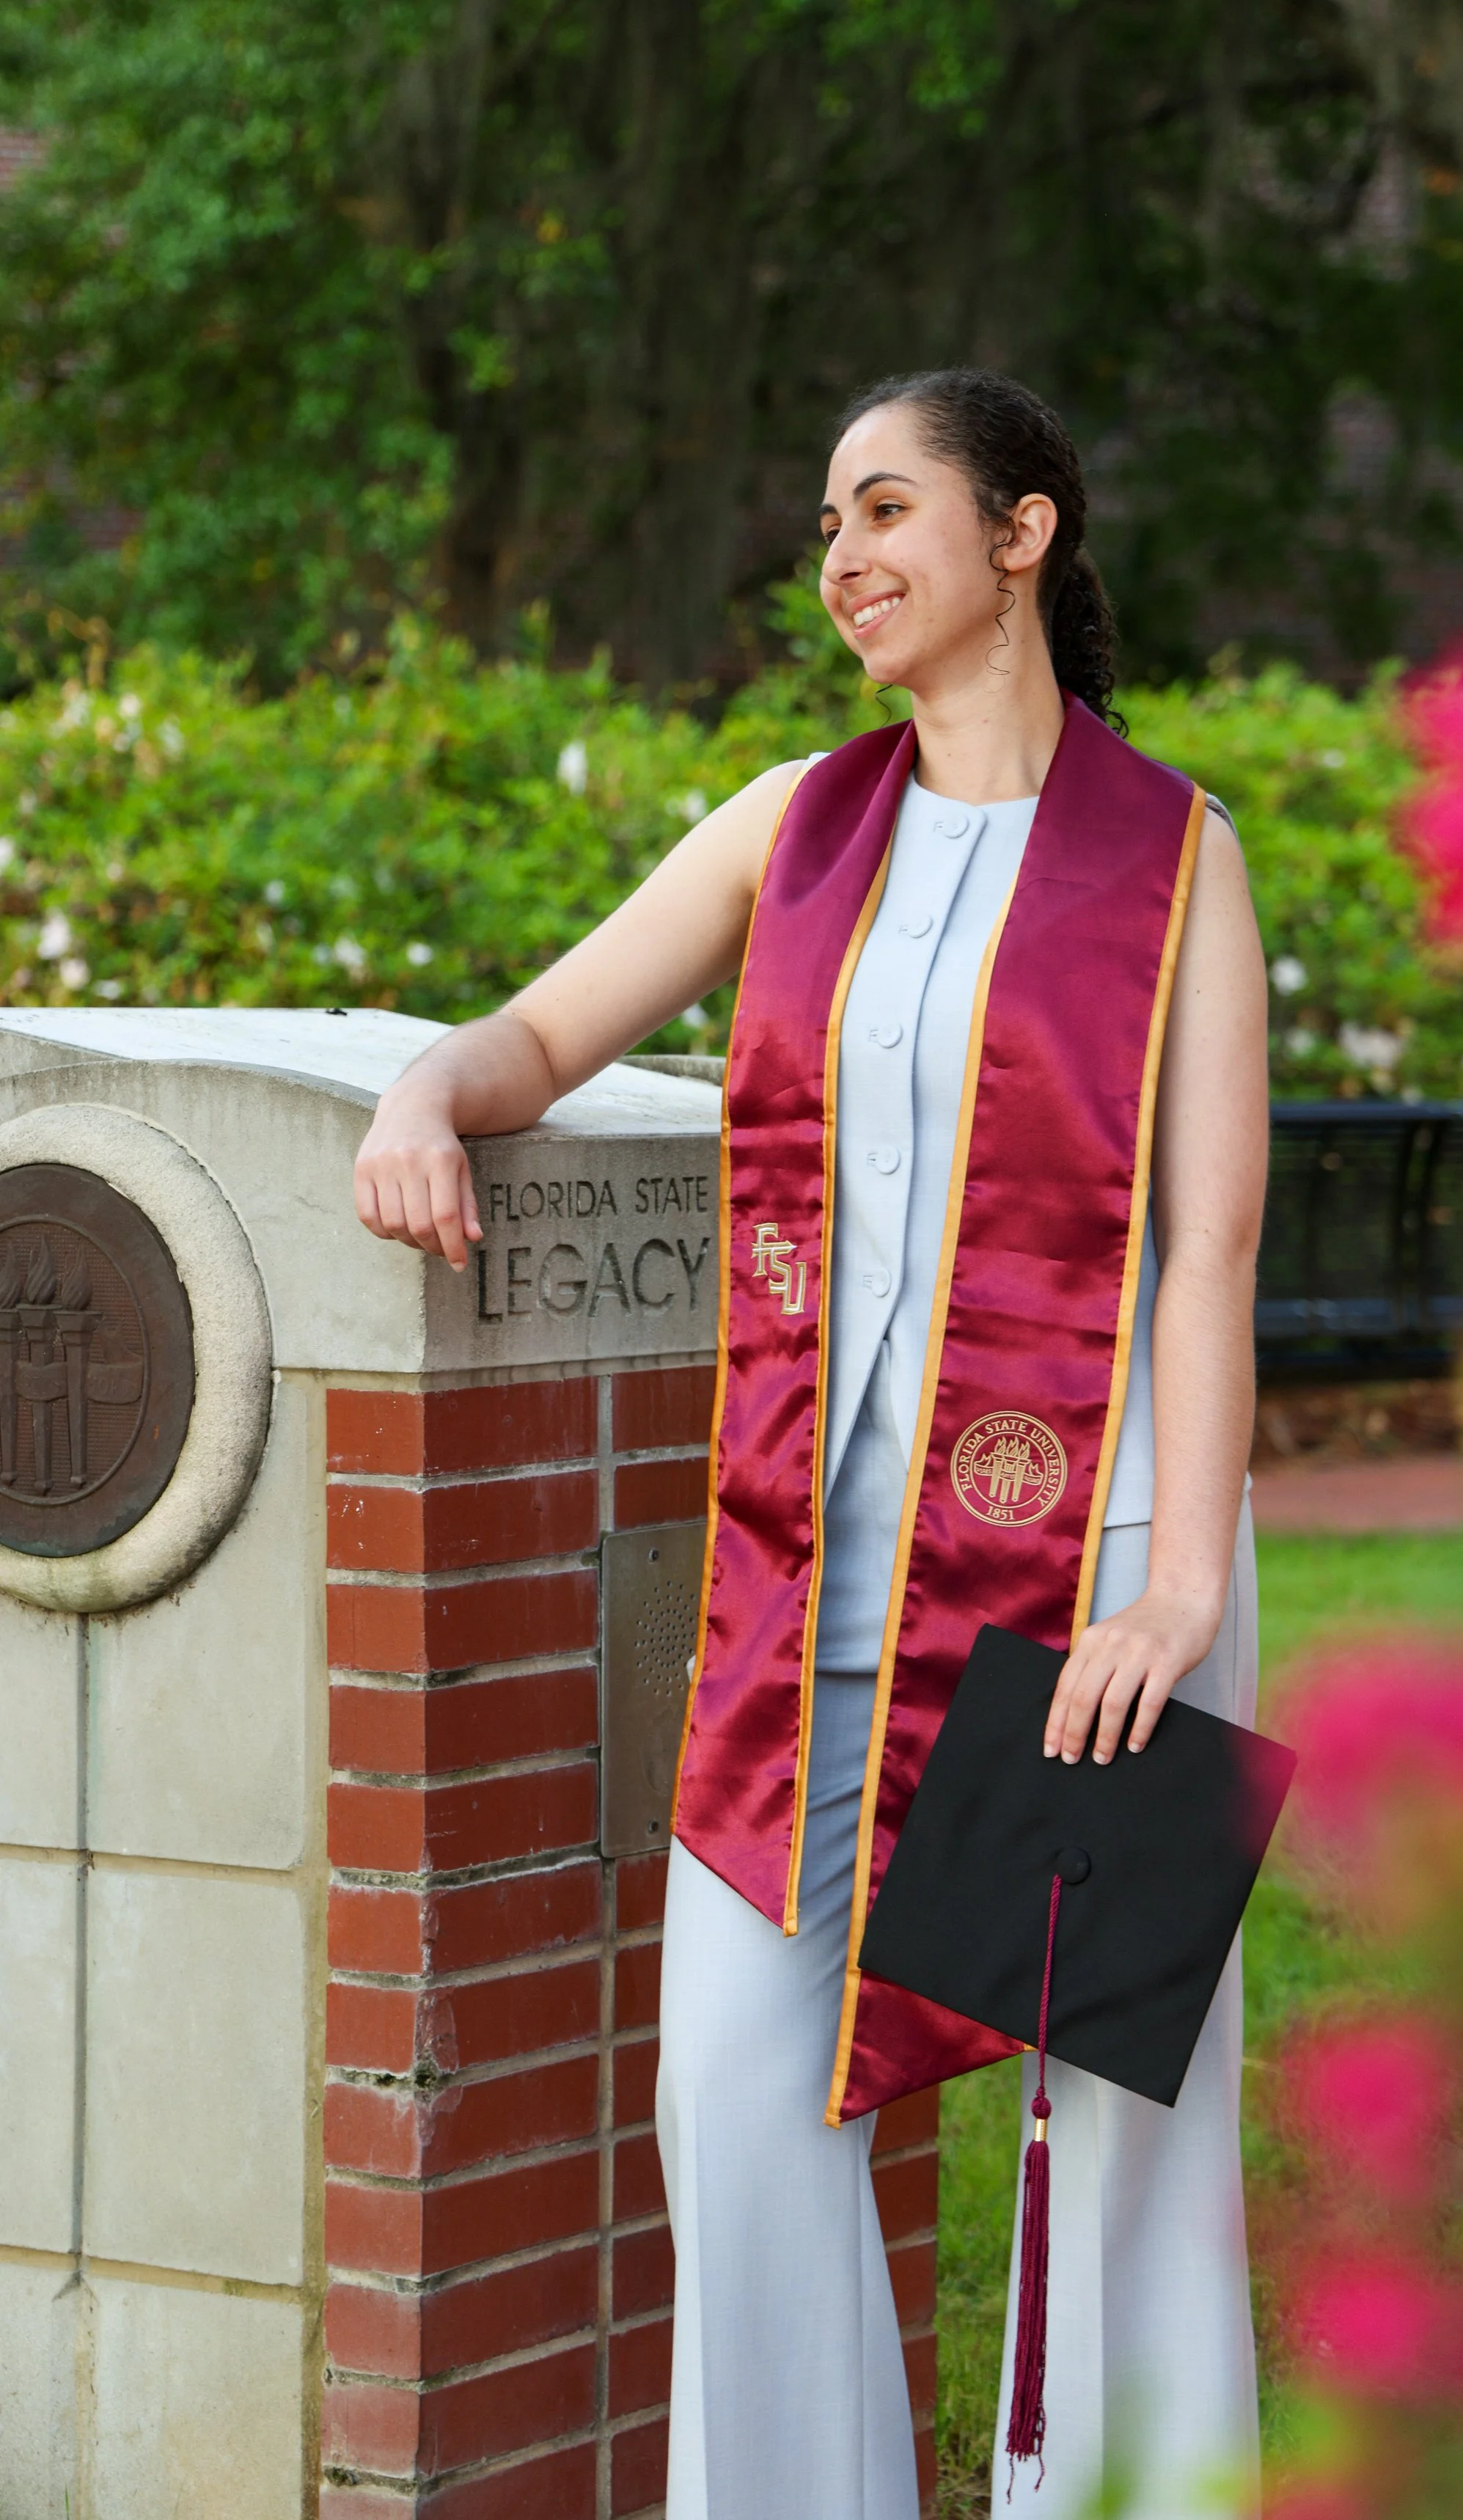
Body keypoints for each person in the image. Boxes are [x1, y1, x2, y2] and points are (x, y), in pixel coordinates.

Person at [354, 368, 1269, 2520]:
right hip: (803, 1577)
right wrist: (420, 1092)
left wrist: (1185, 1581)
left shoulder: (1174, 856)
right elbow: (546, 1030)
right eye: (826, 524)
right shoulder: (794, 825)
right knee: (741, 2103)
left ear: (1020, 532)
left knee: (1118, 2136)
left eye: (886, 509)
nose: (841, 555)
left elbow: (1210, 1241)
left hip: (1091, 1571)